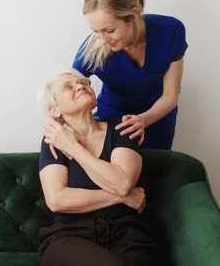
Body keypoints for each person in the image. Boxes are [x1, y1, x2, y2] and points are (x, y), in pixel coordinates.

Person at [37, 68, 163, 266]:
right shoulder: (51, 142)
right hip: (70, 235)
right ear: (55, 110)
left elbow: (122, 183)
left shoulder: (121, 130)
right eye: (68, 87)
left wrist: (73, 147)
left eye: (83, 83)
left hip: (128, 233)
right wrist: (124, 197)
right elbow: (57, 200)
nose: (80, 86)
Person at [72, 0, 188, 150]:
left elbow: (170, 96)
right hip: (111, 120)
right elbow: (66, 89)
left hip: (157, 118)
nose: (103, 39)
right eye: (96, 31)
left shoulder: (170, 31)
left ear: (133, 16)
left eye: (109, 30)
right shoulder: (93, 48)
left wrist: (144, 120)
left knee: (153, 172)